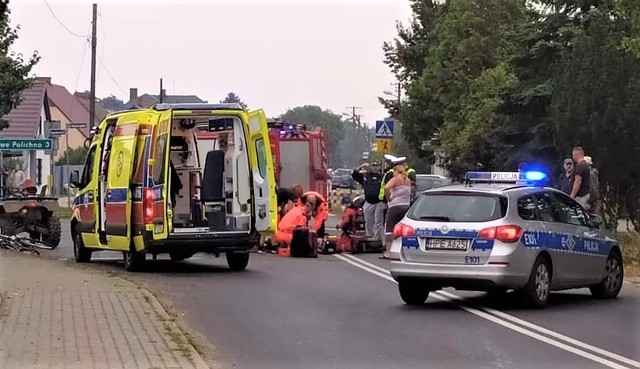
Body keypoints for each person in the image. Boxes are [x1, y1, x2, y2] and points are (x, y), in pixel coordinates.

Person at [382, 156, 412, 259]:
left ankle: (388, 252)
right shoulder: (408, 180)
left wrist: (388, 198)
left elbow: (386, 187)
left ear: (396, 171)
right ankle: (402, 250)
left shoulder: (395, 179)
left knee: (389, 228)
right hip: (406, 206)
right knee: (403, 229)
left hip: (395, 206)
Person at [351, 160, 384, 240]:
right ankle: (370, 236)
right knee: (368, 221)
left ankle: (377, 238)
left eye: (377, 165)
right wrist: (361, 166)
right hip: (368, 202)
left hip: (378, 202)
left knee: (378, 221)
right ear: (370, 167)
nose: (375, 167)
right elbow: (354, 175)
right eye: (373, 165)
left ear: (379, 167)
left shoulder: (382, 177)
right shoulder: (365, 176)